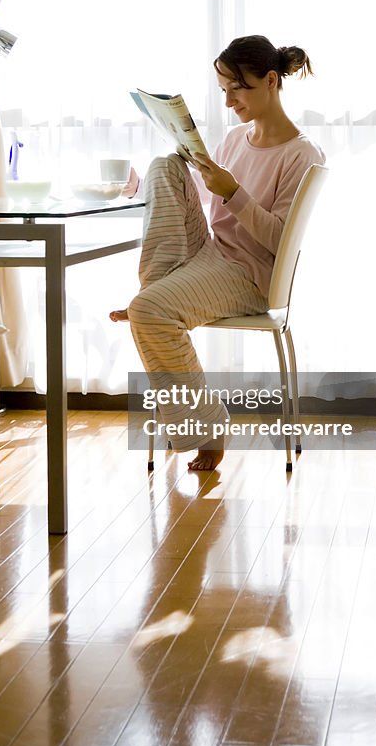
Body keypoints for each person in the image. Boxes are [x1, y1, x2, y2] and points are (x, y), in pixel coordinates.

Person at [110, 35, 326, 471]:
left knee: (150, 310)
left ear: (269, 80)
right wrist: (154, 188)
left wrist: (234, 193)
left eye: (237, 89)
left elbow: (278, 242)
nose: (229, 101)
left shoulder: (301, 153)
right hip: (212, 253)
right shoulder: (233, 139)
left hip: (250, 275)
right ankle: (157, 301)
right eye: (223, 90)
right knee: (164, 166)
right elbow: (207, 213)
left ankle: (206, 420)